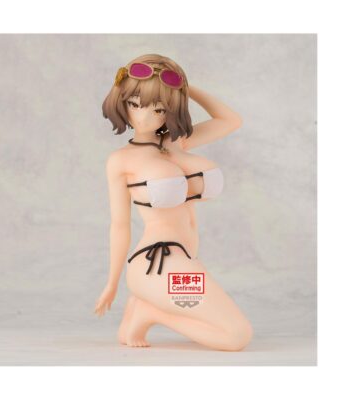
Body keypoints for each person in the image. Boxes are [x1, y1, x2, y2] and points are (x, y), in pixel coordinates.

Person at [94, 53, 253, 350]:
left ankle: (145, 310)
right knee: (236, 336)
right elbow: (119, 225)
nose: (143, 117)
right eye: (135, 104)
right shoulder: (121, 160)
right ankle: (150, 312)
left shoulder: (177, 142)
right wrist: (112, 283)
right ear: (121, 101)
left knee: (231, 331)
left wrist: (185, 90)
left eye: (158, 108)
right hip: (157, 264)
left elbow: (231, 120)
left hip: (186, 261)